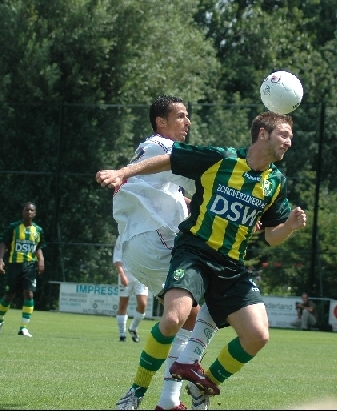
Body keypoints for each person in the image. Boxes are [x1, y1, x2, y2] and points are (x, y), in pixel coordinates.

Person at [97, 110, 307, 409]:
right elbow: (171, 160)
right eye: (284, 135)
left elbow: (272, 237)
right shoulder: (221, 159)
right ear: (263, 134)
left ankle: (204, 385)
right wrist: (123, 172)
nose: (288, 142)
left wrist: (289, 227)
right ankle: (135, 393)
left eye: (290, 137)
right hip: (194, 251)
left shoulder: (275, 182)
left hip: (231, 266)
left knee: (257, 336)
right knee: (173, 319)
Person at [108, 95, 219, 410]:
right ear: (161, 122)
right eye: (181, 116)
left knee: (185, 316)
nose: (188, 122)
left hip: (140, 246)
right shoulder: (164, 147)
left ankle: (162, 399)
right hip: (157, 239)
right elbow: (206, 175)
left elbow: (177, 193)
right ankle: (185, 386)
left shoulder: (151, 152)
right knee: (217, 299)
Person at [0, 202, 46, 337]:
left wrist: (41, 260)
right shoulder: (14, 227)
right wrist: (0, 260)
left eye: (31, 210)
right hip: (14, 265)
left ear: (35, 213)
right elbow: (3, 243)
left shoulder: (38, 230)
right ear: (22, 212)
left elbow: (38, 247)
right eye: (27, 209)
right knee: (10, 295)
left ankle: (23, 328)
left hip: (30, 266)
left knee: (29, 294)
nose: (29, 212)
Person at [113, 241, 149, 343]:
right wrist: (122, 275)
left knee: (143, 304)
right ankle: (122, 334)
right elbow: (117, 259)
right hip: (126, 274)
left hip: (141, 275)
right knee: (123, 304)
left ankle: (133, 328)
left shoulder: (145, 235)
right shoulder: (122, 237)